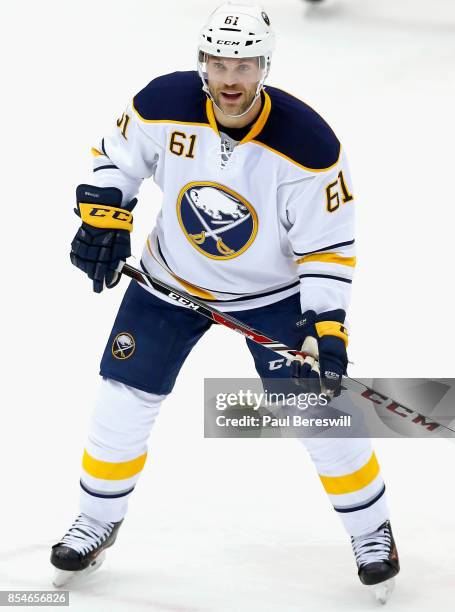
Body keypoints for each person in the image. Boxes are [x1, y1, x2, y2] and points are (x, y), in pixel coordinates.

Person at [51, 1, 399, 600]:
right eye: (218, 63)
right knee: (123, 395)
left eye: (244, 65)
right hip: (171, 282)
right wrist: (104, 217)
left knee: (314, 409)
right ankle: (97, 518)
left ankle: (372, 530)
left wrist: (328, 325)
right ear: (202, 64)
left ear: (264, 66)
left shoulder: (308, 147)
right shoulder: (163, 104)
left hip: (273, 295)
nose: (230, 80)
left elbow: (328, 247)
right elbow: (115, 157)